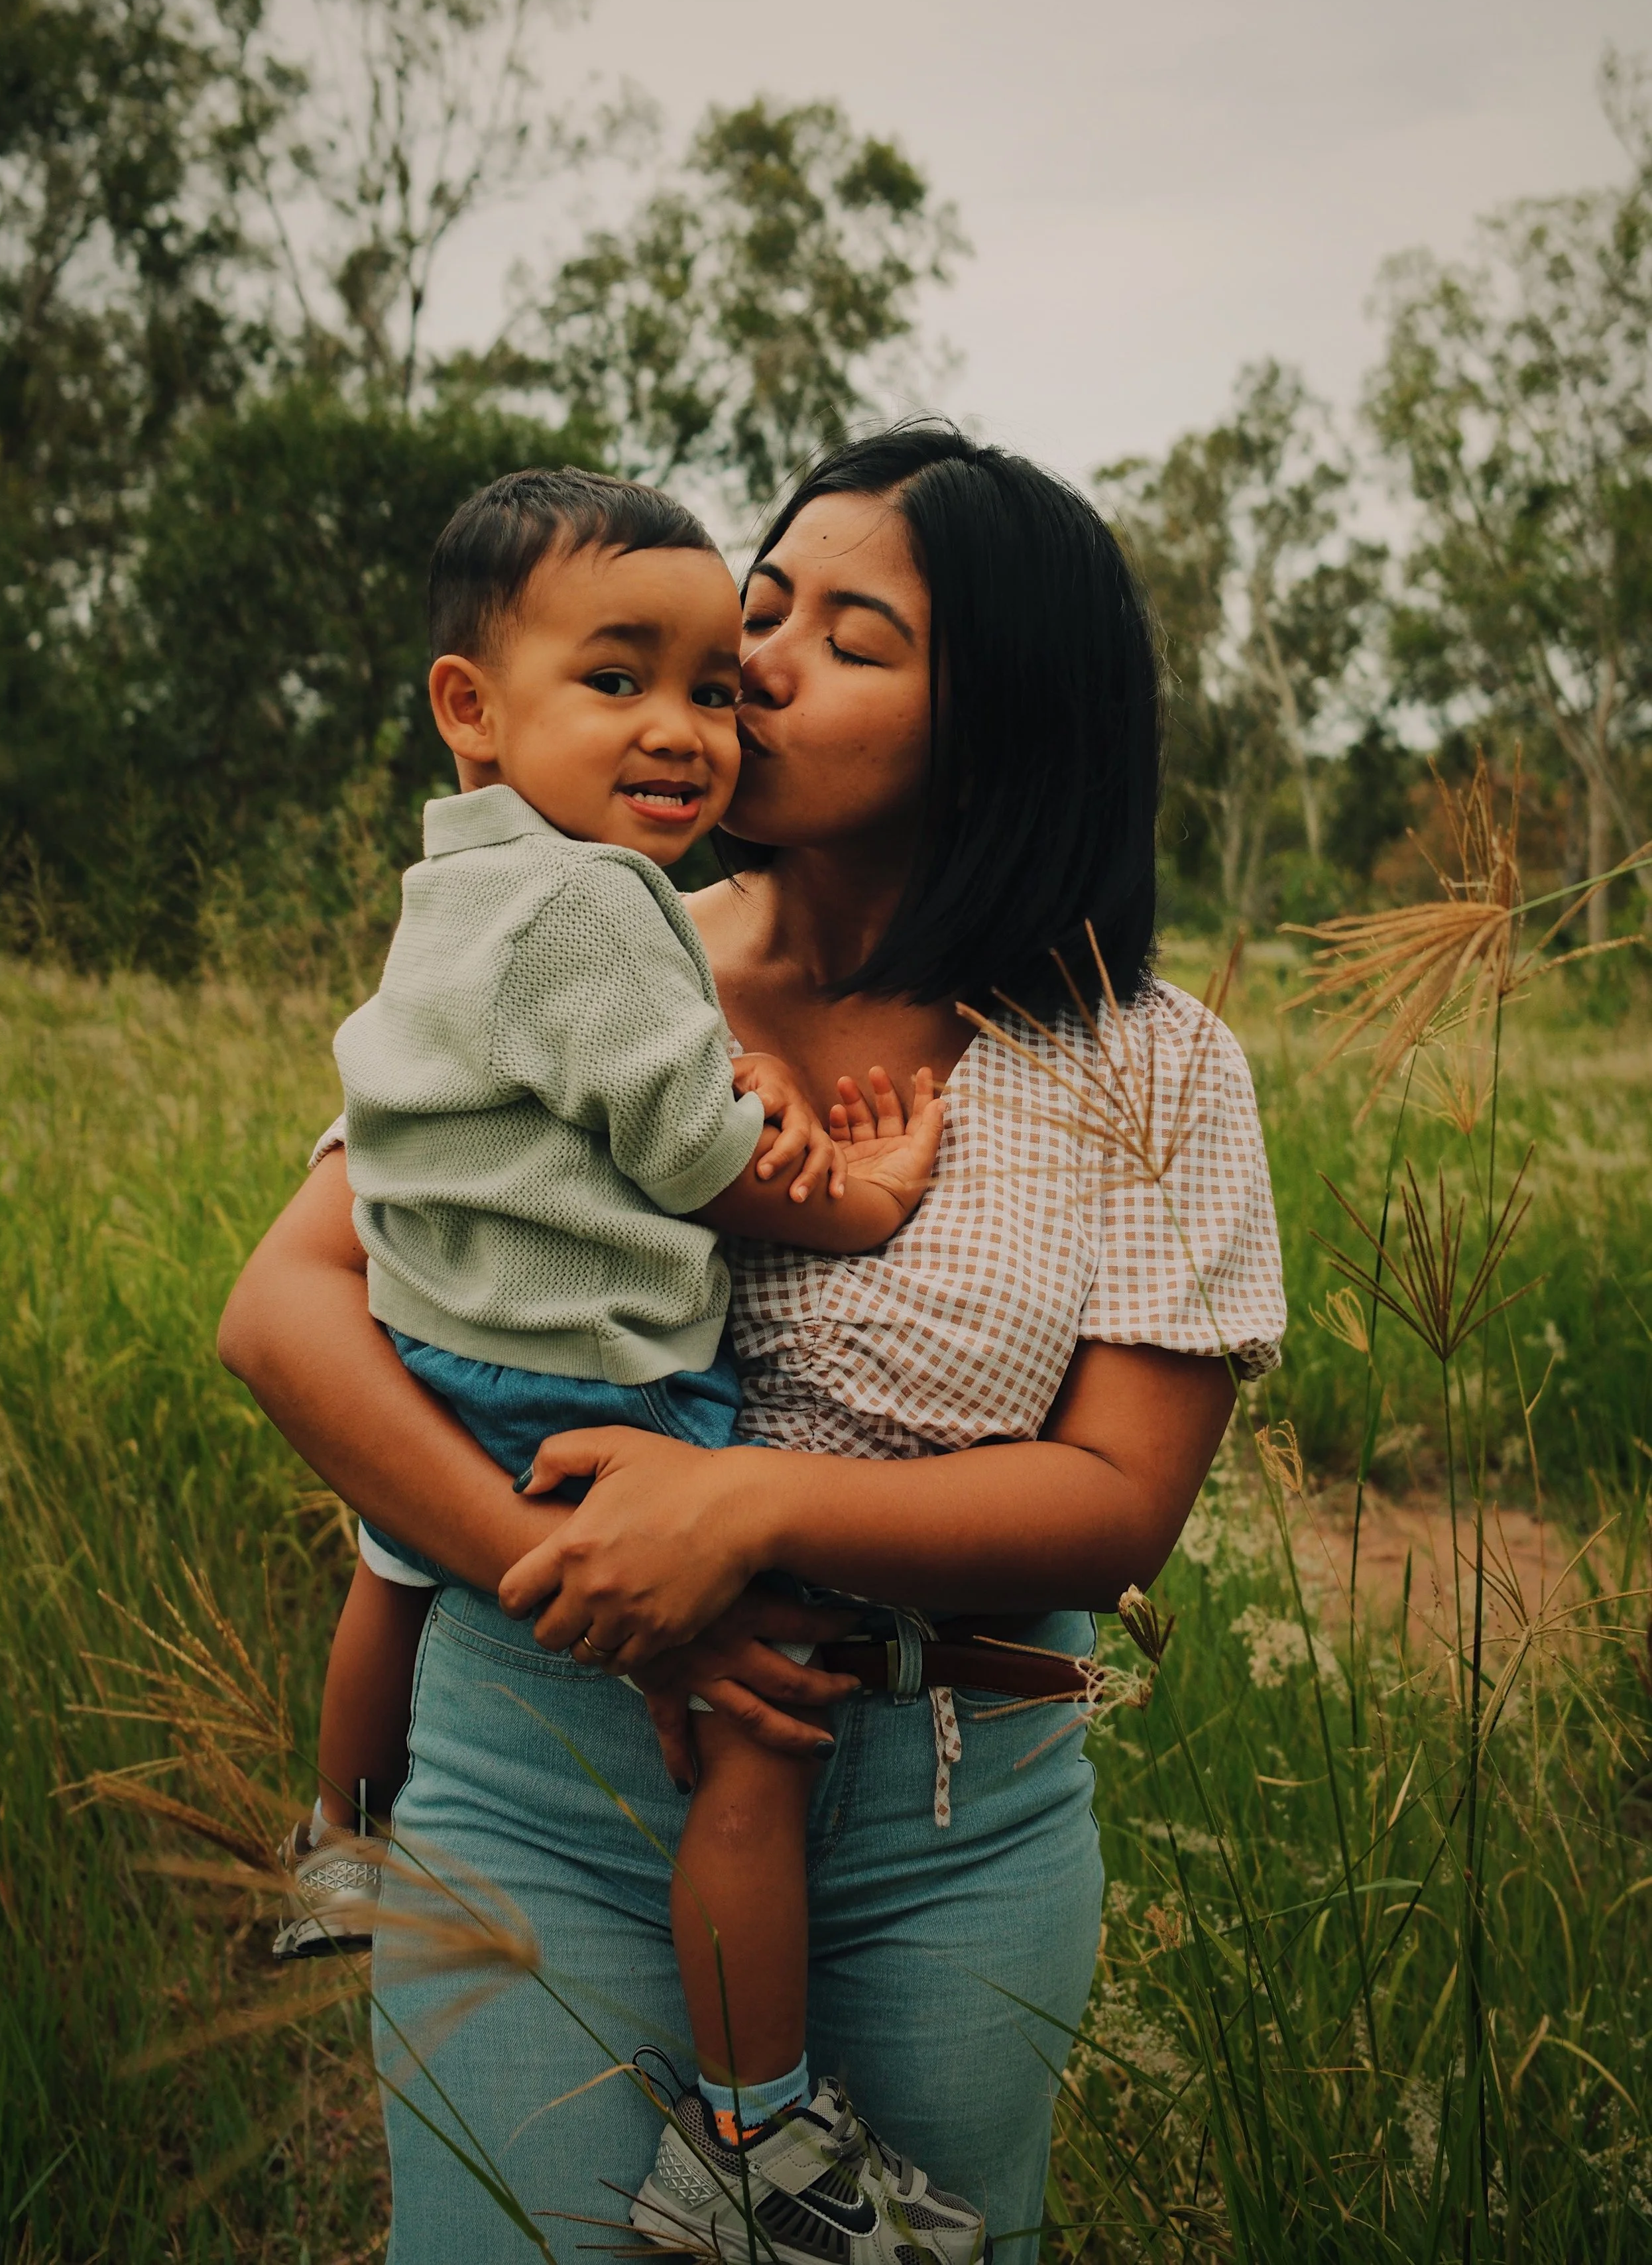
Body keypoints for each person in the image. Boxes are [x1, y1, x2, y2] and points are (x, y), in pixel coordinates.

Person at [219, 423, 1287, 2264]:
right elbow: (289, 1310)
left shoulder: (1148, 1063)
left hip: (940, 1839)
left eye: (845, 638)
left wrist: (740, 1511)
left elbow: (1120, 1497)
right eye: (759, 606)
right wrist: (591, 1572)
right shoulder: (586, 945)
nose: (756, 659)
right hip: (534, 1791)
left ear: (1004, 716)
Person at [287, 463, 985, 2256]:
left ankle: (330, 1843)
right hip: (593, 1391)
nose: (695, 719)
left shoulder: (457, 885)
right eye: (624, 679)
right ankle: (756, 2137)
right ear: (471, 706)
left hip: (445, 1363)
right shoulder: (607, 908)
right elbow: (706, 1164)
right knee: (753, 1730)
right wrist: (867, 1186)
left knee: (395, 1573)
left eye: (709, 679)